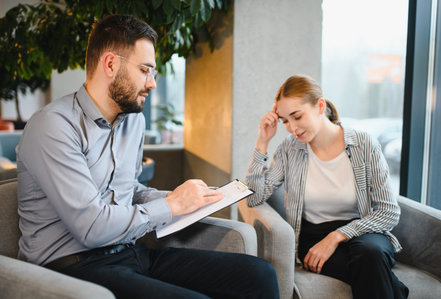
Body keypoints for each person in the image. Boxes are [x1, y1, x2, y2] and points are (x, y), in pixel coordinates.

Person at [16, 14, 279, 299]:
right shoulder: (54, 126)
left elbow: (128, 192)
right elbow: (91, 227)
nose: (152, 83)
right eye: (145, 70)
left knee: (258, 275)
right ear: (110, 64)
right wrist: (171, 206)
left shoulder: (132, 121)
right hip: (72, 266)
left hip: (129, 252)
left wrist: (188, 200)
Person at [245, 74, 409, 299]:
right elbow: (254, 198)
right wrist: (262, 142)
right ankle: (397, 291)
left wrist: (336, 237)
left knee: (370, 254)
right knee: (372, 269)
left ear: (320, 105)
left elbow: (389, 211)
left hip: (363, 232)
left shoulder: (364, 144)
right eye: (284, 120)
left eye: (297, 116)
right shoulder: (289, 149)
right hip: (311, 236)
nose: (292, 128)